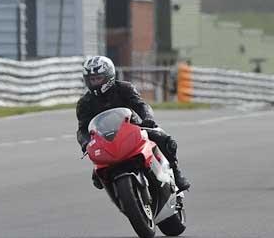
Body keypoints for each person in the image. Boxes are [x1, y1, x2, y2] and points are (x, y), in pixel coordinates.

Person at [76, 56, 191, 191]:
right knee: (98, 178)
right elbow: (82, 129)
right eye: (92, 79)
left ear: (109, 76)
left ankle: (176, 174)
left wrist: (148, 119)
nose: (95, 82)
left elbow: (141, 105)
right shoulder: (84, 103)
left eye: (98, 78)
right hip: (105, 138)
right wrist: (85, 143)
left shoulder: (125, 88)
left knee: (165, 139)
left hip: (133, 128)